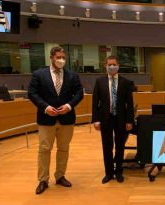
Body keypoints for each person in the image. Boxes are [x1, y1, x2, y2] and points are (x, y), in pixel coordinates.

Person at [28, 46, 84, 195]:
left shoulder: (72, 76)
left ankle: (60, 176)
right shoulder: (39, 74)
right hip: (46, 118)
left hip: (66, 119)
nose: (61, 60)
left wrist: (69, 106)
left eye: (63, 58)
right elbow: (32, 93)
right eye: (59, 57)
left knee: (64, 149)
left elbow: (79, 93)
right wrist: (46, 107)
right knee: (44, 149)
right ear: (52, 57)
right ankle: (43, 180)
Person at [92, 55, 134, 184]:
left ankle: (119, 172)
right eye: (109, 65)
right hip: (105, 119)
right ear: (105, 66)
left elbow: (130, 104)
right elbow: (95, 102)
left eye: (114, 64)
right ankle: (109, 173)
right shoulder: (99, 81)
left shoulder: (126, 82)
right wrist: (96, 120)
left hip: (120, 119)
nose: (112, 67)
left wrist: (129, 121)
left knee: (120, 146)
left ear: (118, 66)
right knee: (107, 146)